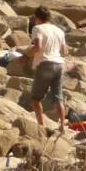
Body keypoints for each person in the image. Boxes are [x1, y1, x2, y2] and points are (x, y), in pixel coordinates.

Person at [26, 7, 69, 137]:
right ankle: (62, 125)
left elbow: (37, 46)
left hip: (45, 64)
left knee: (35, 99)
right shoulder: (59, 31)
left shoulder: (37, 28)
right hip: (59, 64)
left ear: (37, 17)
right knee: (58, 97)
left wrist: (25, 56)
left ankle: (41, 126)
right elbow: (64, 52)